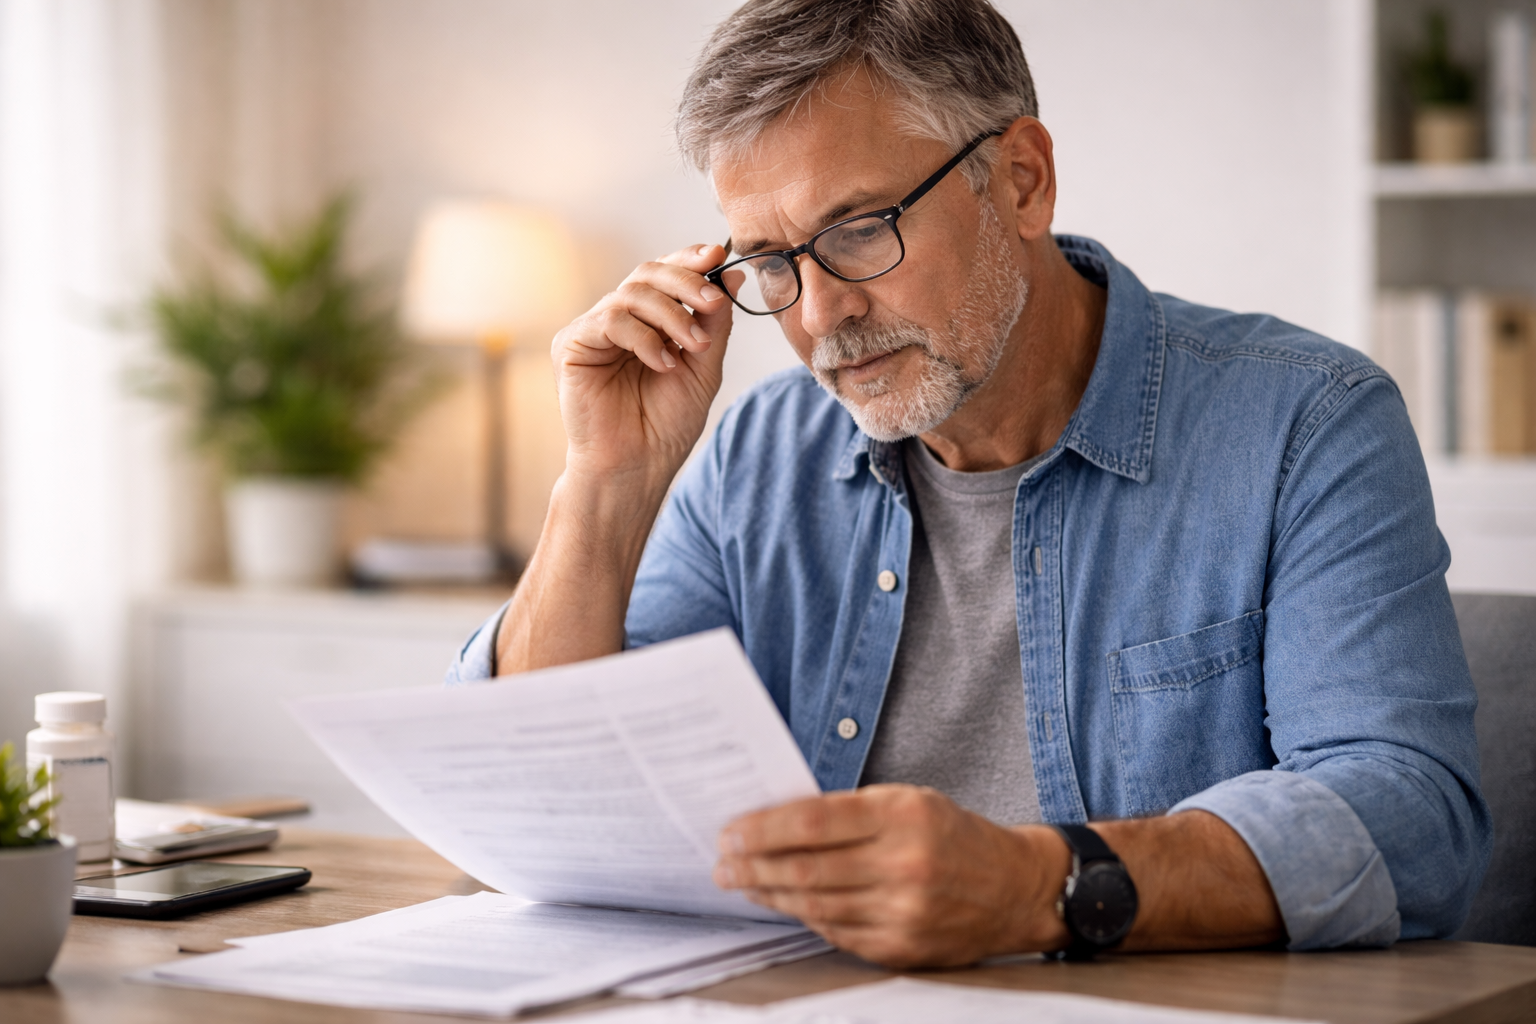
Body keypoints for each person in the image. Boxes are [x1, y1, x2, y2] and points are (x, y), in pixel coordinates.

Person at [448, 0, 1489, 968]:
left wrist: (1041, 884)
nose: (817, 317)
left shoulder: (1305, 422)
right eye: (771, 261)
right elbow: (543, 801)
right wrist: (603, 483)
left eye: (857, 229)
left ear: (1022, 181)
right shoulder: (756, 455)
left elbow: (1411, 818)